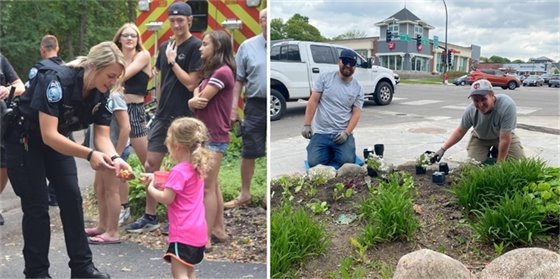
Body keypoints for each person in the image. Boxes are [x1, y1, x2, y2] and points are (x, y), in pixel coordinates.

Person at [4, 41, 131, 278]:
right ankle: (37, 272)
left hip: (57, 141)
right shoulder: (55, 80)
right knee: (37, 206)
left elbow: (102, 136)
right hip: (25, 141)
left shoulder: (102, 93)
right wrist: (90, 155)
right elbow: (48, 134)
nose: (113, 82)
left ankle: (82, 268)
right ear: (93, 67)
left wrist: (115, 158)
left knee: (72, 198)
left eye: (116, 78)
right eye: (110, 75)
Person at [126, 1, 202, 233]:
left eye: (181, 20)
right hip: (162, 114)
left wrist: (172, 60)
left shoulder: (195, 47)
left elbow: (191, 82)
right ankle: (150, 216)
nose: (176, 24)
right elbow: (160, 80)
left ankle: (178, 215)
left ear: (189, 20)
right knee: (151, 163)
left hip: (184, 117)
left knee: (182, 167)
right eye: (173, 20)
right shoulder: (164, 47)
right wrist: (157, 103)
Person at [144, 117, 209, 279]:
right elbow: (182, 190)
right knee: (190, 271)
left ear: (177, 146)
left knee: (179, 273)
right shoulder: (197, 167)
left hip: (183, 231)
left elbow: (167, 198)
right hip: (198, 230)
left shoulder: (178, 171)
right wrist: (157, 179)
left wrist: (150, 187)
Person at [188, 30, 235, 246]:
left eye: (205, 44)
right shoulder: (213, 72)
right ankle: (219, 229)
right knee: (213, 186)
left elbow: (200, 100)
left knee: (206, 186)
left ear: (217, 47)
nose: (200, 47)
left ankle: (205, 237)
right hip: (207, 135)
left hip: (214, 135)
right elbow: (195, 94)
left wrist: (192, 100)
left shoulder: (222, 72)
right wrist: (194, 98)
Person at [224, 8, 267, 209]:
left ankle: (269, 195)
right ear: (259, 21)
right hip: (255, 103)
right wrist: (233, 109)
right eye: (263, 18)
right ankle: (245, 194)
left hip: (276, 105)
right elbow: (238, 80)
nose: (266, 21)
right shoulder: (247, 46)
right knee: (249, 149)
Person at [112, 22, 152, 226]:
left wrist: (110, 74)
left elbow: (122, 76)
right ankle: (124, 207)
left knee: (148, 162)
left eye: (133, 36)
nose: (129, 39)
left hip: (135, 111)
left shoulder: (142, 55)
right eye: (125, 35)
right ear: (119, 38)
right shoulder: (115, 57)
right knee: (117, 160)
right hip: (115, 111)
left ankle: (151, 210)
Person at [433, 79, 525, 163]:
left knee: (519, 164)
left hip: (503, 136)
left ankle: (496, 151)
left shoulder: (506, 105)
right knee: (471, 167)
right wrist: (443, 149)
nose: (480, 104)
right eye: (476, 100)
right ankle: (491, 151)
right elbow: (460, 131)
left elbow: (505, 139)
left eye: (483, 99)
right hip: (480, 139)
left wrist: (500, 164)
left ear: (492, 95)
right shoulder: (471, 110)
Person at [300, 48, 364, 169]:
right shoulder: (325, 78)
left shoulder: (358, 88)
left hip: (341, 132)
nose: (348, 66)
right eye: (345, 62)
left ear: (355, 66)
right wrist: (307, 124)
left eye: (352, 63)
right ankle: (327, 150)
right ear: (339, 62)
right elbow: (313, 101)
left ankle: (339, 149)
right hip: (321, 132)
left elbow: (356, 113)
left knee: (347, 161)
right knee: (314, 163)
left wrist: (347, 133)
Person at [86, 90, 131, 244]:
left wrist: (116, 155)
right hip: (101, 153)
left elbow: (126, 127)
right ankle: (102, 225)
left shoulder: (115, 97)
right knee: (99, 187)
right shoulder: (98, 96)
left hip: (112, 152)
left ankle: (113, 231)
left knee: (112, 191)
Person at [32, 34, 64, 207]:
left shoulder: (39, 69)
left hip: (43, 121)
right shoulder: (66, 68)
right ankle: (55, 193)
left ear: (42, 50)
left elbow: (30, 95)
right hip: (63, 122)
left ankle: (48, 194)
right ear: (57, 48)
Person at [0, 54, 25, 226]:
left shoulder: (0, 59)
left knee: (3, 164)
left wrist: (8, 90)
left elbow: (20, 86)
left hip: (2, 121)